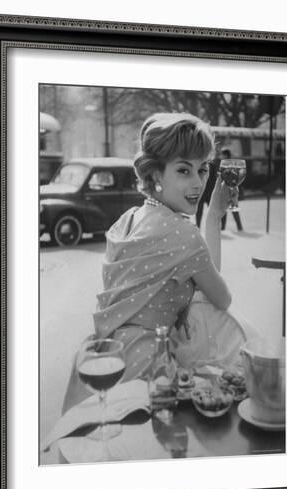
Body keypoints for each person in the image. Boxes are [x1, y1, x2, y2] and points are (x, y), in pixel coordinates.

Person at [92, 112, 255, 381]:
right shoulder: (182, 233)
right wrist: (214, 214)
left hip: (106, 356)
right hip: (145, 367)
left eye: (202, 169)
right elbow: (221, 299)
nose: (197, 183)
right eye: (183, 170)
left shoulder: (127, 220)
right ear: (156, 174)